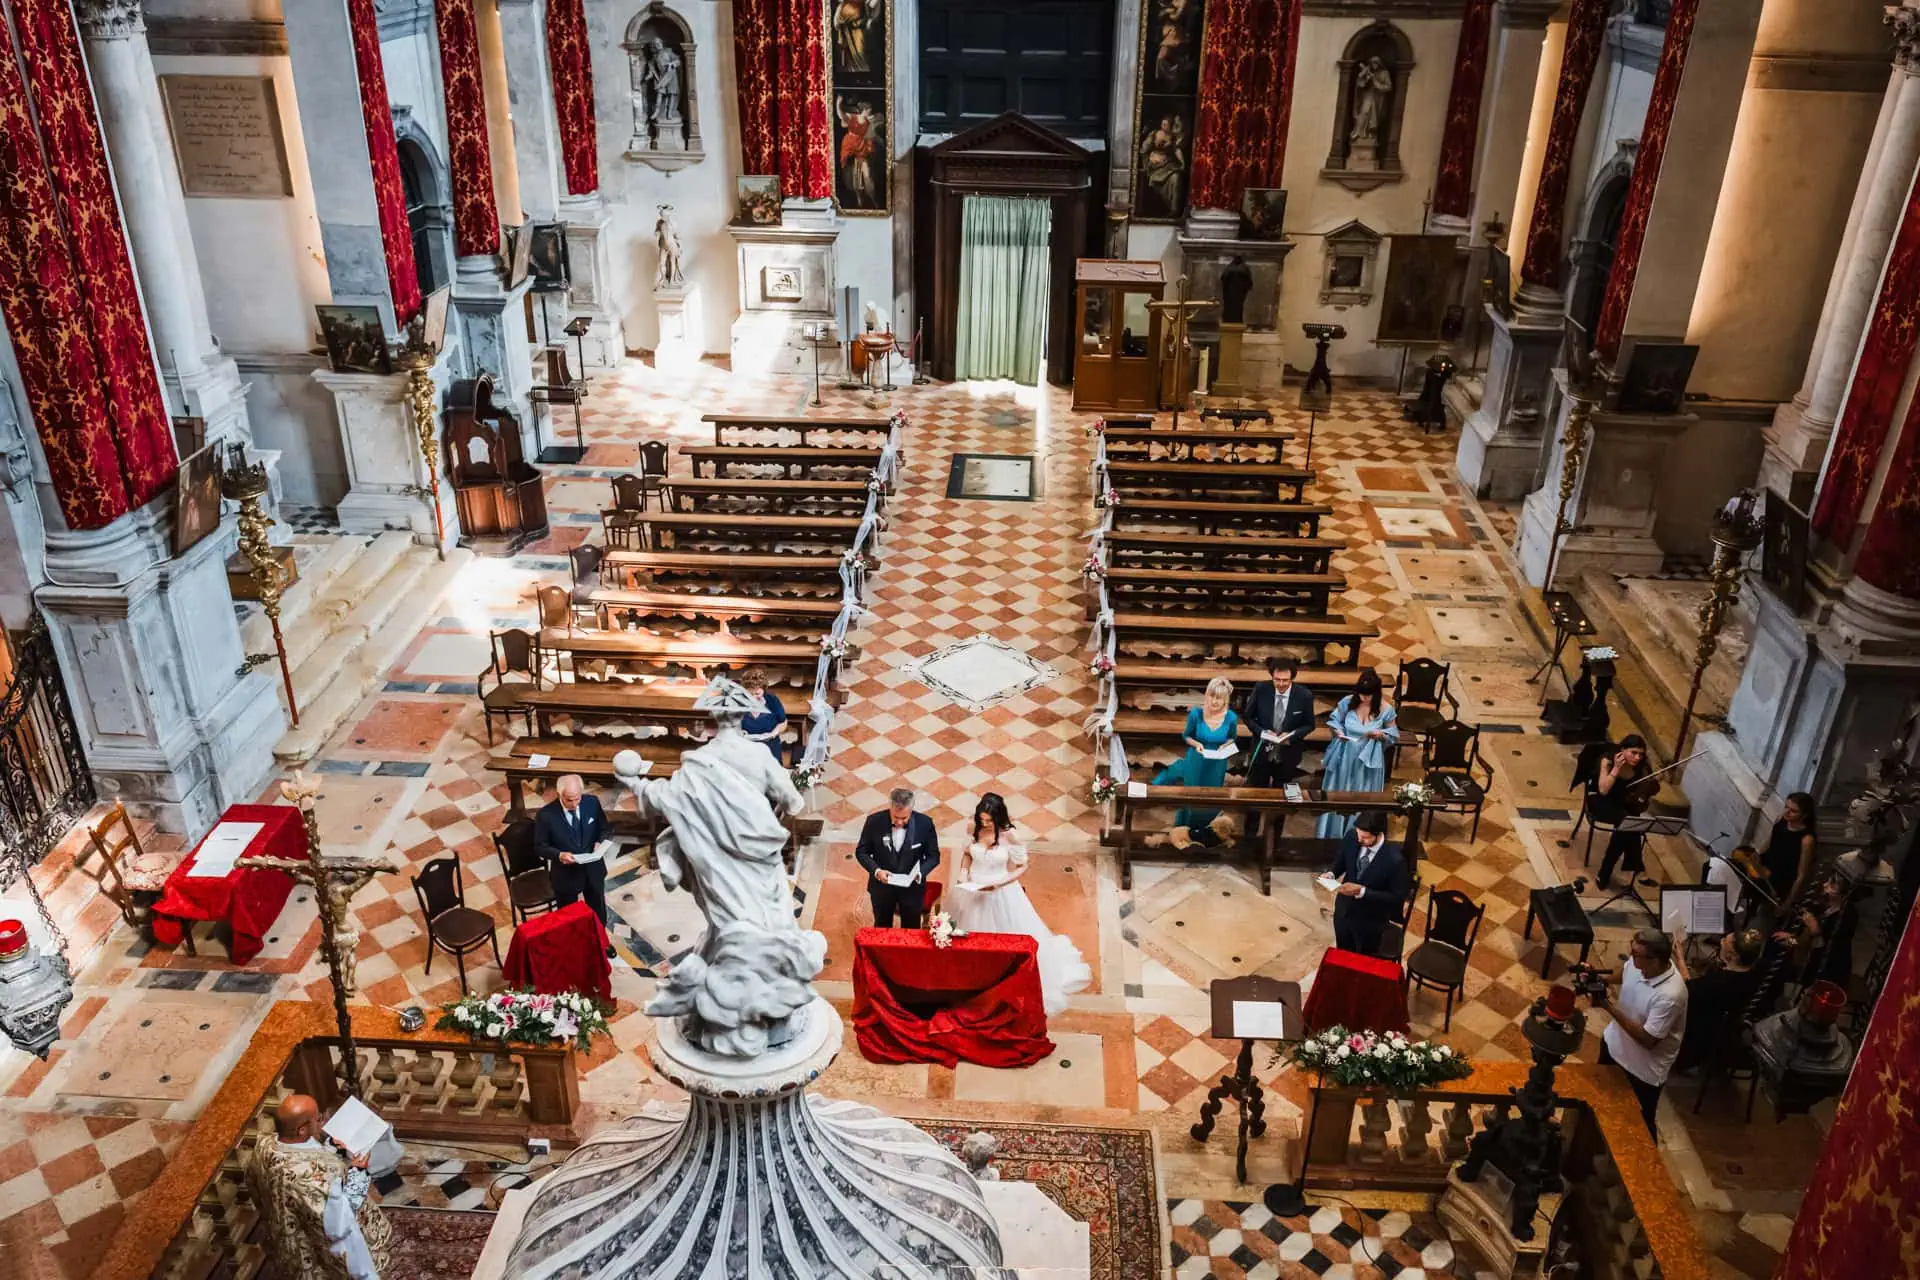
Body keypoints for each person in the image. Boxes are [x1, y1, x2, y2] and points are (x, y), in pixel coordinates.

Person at [947, 794, 1091, 1015]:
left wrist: (1001, 882)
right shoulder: (972, 828)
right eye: (982, 820)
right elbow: (968, 854)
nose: (984, 824)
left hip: (1000, 891)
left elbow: (1022, 865)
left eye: (988, 821)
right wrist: (964, 874)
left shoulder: (1009, 835)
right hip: (973, 890)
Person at [244, 1093, 391, 1280]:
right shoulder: (317, 1179)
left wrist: (332, 1149)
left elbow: (255, 1181)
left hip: (288, 1237)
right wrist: (358, 1171)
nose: (322, 1122)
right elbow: (340, 1222)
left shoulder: (265, 1145)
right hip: (320, 1249)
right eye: (318, 1118)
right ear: (302, 1130)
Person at [1597, 928, 1688, 1136]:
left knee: (1639, 1127)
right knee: (1599, 1104)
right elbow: (1625, 971)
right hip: (1614, 1046)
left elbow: (1648, 1040)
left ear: (1655, 960)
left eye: (1636, 955)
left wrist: (1607, 1006)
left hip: (1642, 1071)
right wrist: (1601, 978)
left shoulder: (1670, 995)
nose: (1632, 958)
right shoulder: (1642, 964)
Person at [1152, 677, 1240, 846]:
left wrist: (1225, 746)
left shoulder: (1231, 718)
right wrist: (1197, 744)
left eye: (1218, 698)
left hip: (1217, 764)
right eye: (1211, 696)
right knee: (1191, 795)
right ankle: (1184, 832)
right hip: (1196, 759)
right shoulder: (1196, 714)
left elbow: (1231, 738)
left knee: (1211, 797)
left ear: (1225, 700)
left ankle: (1209, 834)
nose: (1214, 701)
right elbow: (1186, 736)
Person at [535, 774, 614, 956]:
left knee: (598, 910)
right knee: (567, 916)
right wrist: (559, 855)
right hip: (566, 873)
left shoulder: (591, 803)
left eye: (577, 798)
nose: (575, 804)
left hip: (593, 868)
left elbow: (604, 829)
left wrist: (599, 842)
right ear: (559, 794)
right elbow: (540, 846)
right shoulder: (546, 815)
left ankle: (601, 943)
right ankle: (571, 950)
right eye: (569, 800)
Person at [1315, 669, 1398, 839]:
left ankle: (1358, 836)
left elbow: (1393, 734)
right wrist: (1338, 731)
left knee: (1361, 794)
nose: (1364, 698)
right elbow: (1334, 721)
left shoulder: (1386, 709)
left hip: (1367, 760)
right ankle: (1331, 834)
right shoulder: (1347, 702)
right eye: (1361, 694)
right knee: (1340, 792)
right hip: (1345, 755)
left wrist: (1381, 735)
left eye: (1368, 695)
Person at [1673, 927, 1764, 1073]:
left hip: (1708, 1030)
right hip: (1728, 1021)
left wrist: (1680, 958)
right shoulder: (1754, 973)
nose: (1720, 942)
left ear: (1731, 956)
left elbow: (1689, 988)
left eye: (1724, 943)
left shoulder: (1720, 982)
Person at [1326, 810, 1411, 955]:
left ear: (1378, 834)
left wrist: (1362, 891)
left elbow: (1397, 897)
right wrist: (1331, 873)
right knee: (1343, 954)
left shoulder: (1395, 860)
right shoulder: (1352, 836)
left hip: (1370, 922)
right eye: (1359, 834)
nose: (1359, 840)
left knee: (1364, 959)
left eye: (1365, 837)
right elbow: (1341, 860)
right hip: (1343, 912)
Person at [854, 787, 940, 928]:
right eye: (895, 817)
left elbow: (933, 856)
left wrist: (919, 873)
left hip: (912, 889)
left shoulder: (925, 824)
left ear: (911, 810)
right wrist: (877, 871)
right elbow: (861, 852)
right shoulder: (874, 822)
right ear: (890, 808)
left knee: (911, 929)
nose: (899, 823)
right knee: (881, 926)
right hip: (882, 888)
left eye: (904, 818)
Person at [1591, 735, 1654, 891]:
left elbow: (1646, 788)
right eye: (1633, 752)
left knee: (1627, 826)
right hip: (1602, 802)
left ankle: (1605, 873)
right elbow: (1603, 790)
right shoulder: (1608, 760)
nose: (1637, 758)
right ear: (1623, 749)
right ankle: (1637, 865)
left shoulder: (1642, 766)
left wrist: (1652, 783)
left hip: (1625, 803)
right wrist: (1617, 769)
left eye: (1641, 754)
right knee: (1629, 825)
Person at [1243, 657, 1315, 789]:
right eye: (1277, 679)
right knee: (1257, 789)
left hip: (1288, 753)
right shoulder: (1261, 689)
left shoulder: (1304, 695)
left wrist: (1291, 736)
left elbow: (1309, 725)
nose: (1281, 684)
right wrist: (1262, 732)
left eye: (1285, 680)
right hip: (1262, 751)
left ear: (1292, 678)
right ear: (1272, 676)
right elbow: (1247, 717)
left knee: (1283, 791)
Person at [1762, 792, 1819, 911]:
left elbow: (1801, 875)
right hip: (1764, 873)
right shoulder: (1780, 820)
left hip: (1781, 884)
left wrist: (1787, 904)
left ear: (1805, 815)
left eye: (1793, 811)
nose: (1787, 812)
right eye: (1786, 807)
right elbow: (1768, 844)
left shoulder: (1806, 840)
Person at [738, 667, 789, 763]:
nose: (753, 698)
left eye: (757, 693)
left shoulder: (772, 700)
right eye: (750, 694)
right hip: (747, 750)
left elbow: (783, 723)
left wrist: (773, 734)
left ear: (763, 689)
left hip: (770, 749)